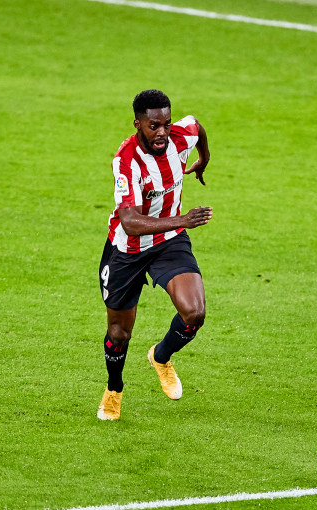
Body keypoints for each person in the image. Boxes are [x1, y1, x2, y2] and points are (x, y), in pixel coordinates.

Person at [97, 89, 212, 420]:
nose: (162, 132)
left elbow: (198, 126)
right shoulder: (126, 160)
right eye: (153, 126)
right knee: (119, 333)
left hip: (169, 242)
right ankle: (114, 389)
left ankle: (160, 356)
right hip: (128, 250)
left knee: (195, 313)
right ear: (137, 124)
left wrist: (204, 157)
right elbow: (130, 222)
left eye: (166, 123)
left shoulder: (180, 135)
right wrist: (185, 219)